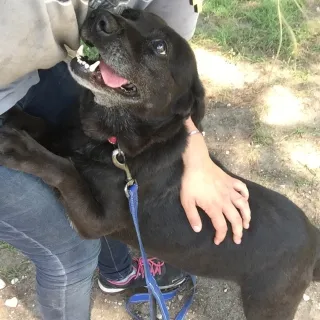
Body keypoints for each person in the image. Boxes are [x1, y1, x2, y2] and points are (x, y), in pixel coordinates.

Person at [0, 1, 251, 319]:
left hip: (38, 73)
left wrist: (196, 151)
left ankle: (118, 272)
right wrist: (56, 168)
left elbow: (170, 71)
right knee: (72, 254)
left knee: (92, 169)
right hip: (22, 68)